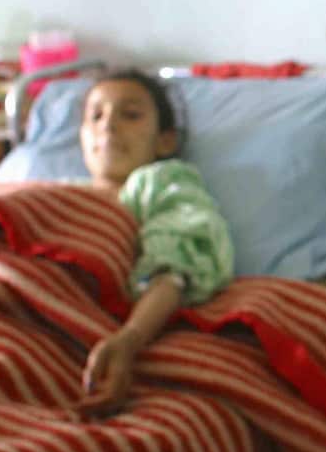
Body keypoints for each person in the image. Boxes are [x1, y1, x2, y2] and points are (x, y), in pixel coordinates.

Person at [73, 69, 235, 418]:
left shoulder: (158, 185)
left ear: (165, 141)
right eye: (95, 115)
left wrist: (129, 339)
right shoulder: (54, 191)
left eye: (130, 115)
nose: (108, 125)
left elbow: (173, 270)